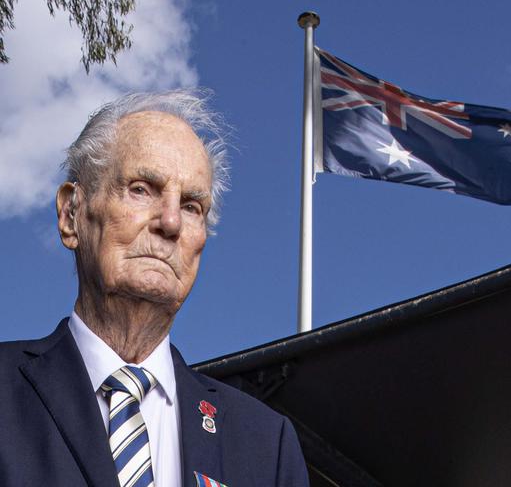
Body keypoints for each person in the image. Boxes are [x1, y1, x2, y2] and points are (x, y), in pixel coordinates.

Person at [0, 90, 309, 487]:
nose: (171, 222)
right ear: (71, 213)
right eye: (142, 189)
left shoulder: (266, 444)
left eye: (191, 206)